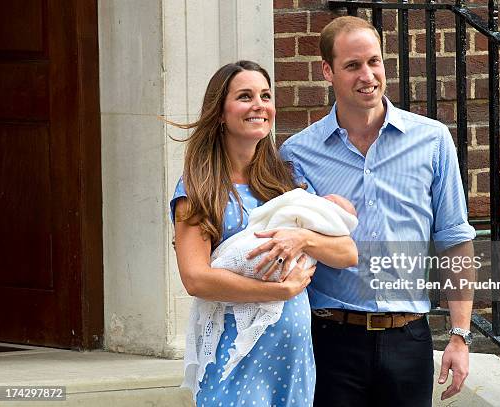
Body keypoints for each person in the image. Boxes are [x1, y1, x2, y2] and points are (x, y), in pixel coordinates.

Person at [279, 16, 476, 407]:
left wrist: (460, 335)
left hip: (409, 339)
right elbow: (299, 248)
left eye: (374, 62)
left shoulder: (432, 140)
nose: (367, 75)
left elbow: (454, 240)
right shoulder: (297, 154)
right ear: (327, 71)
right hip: (330, 341)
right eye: (352, 65)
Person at [170, 60, 358, 407]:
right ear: (220, 113)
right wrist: (280, 290)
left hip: (294, 358)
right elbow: (195, 279)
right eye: (245, 96)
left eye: (266, 95)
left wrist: (303, 239)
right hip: (235, 356)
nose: (259, 105)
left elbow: (347, 252)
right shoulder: (198, 188)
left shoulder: (285, 180)